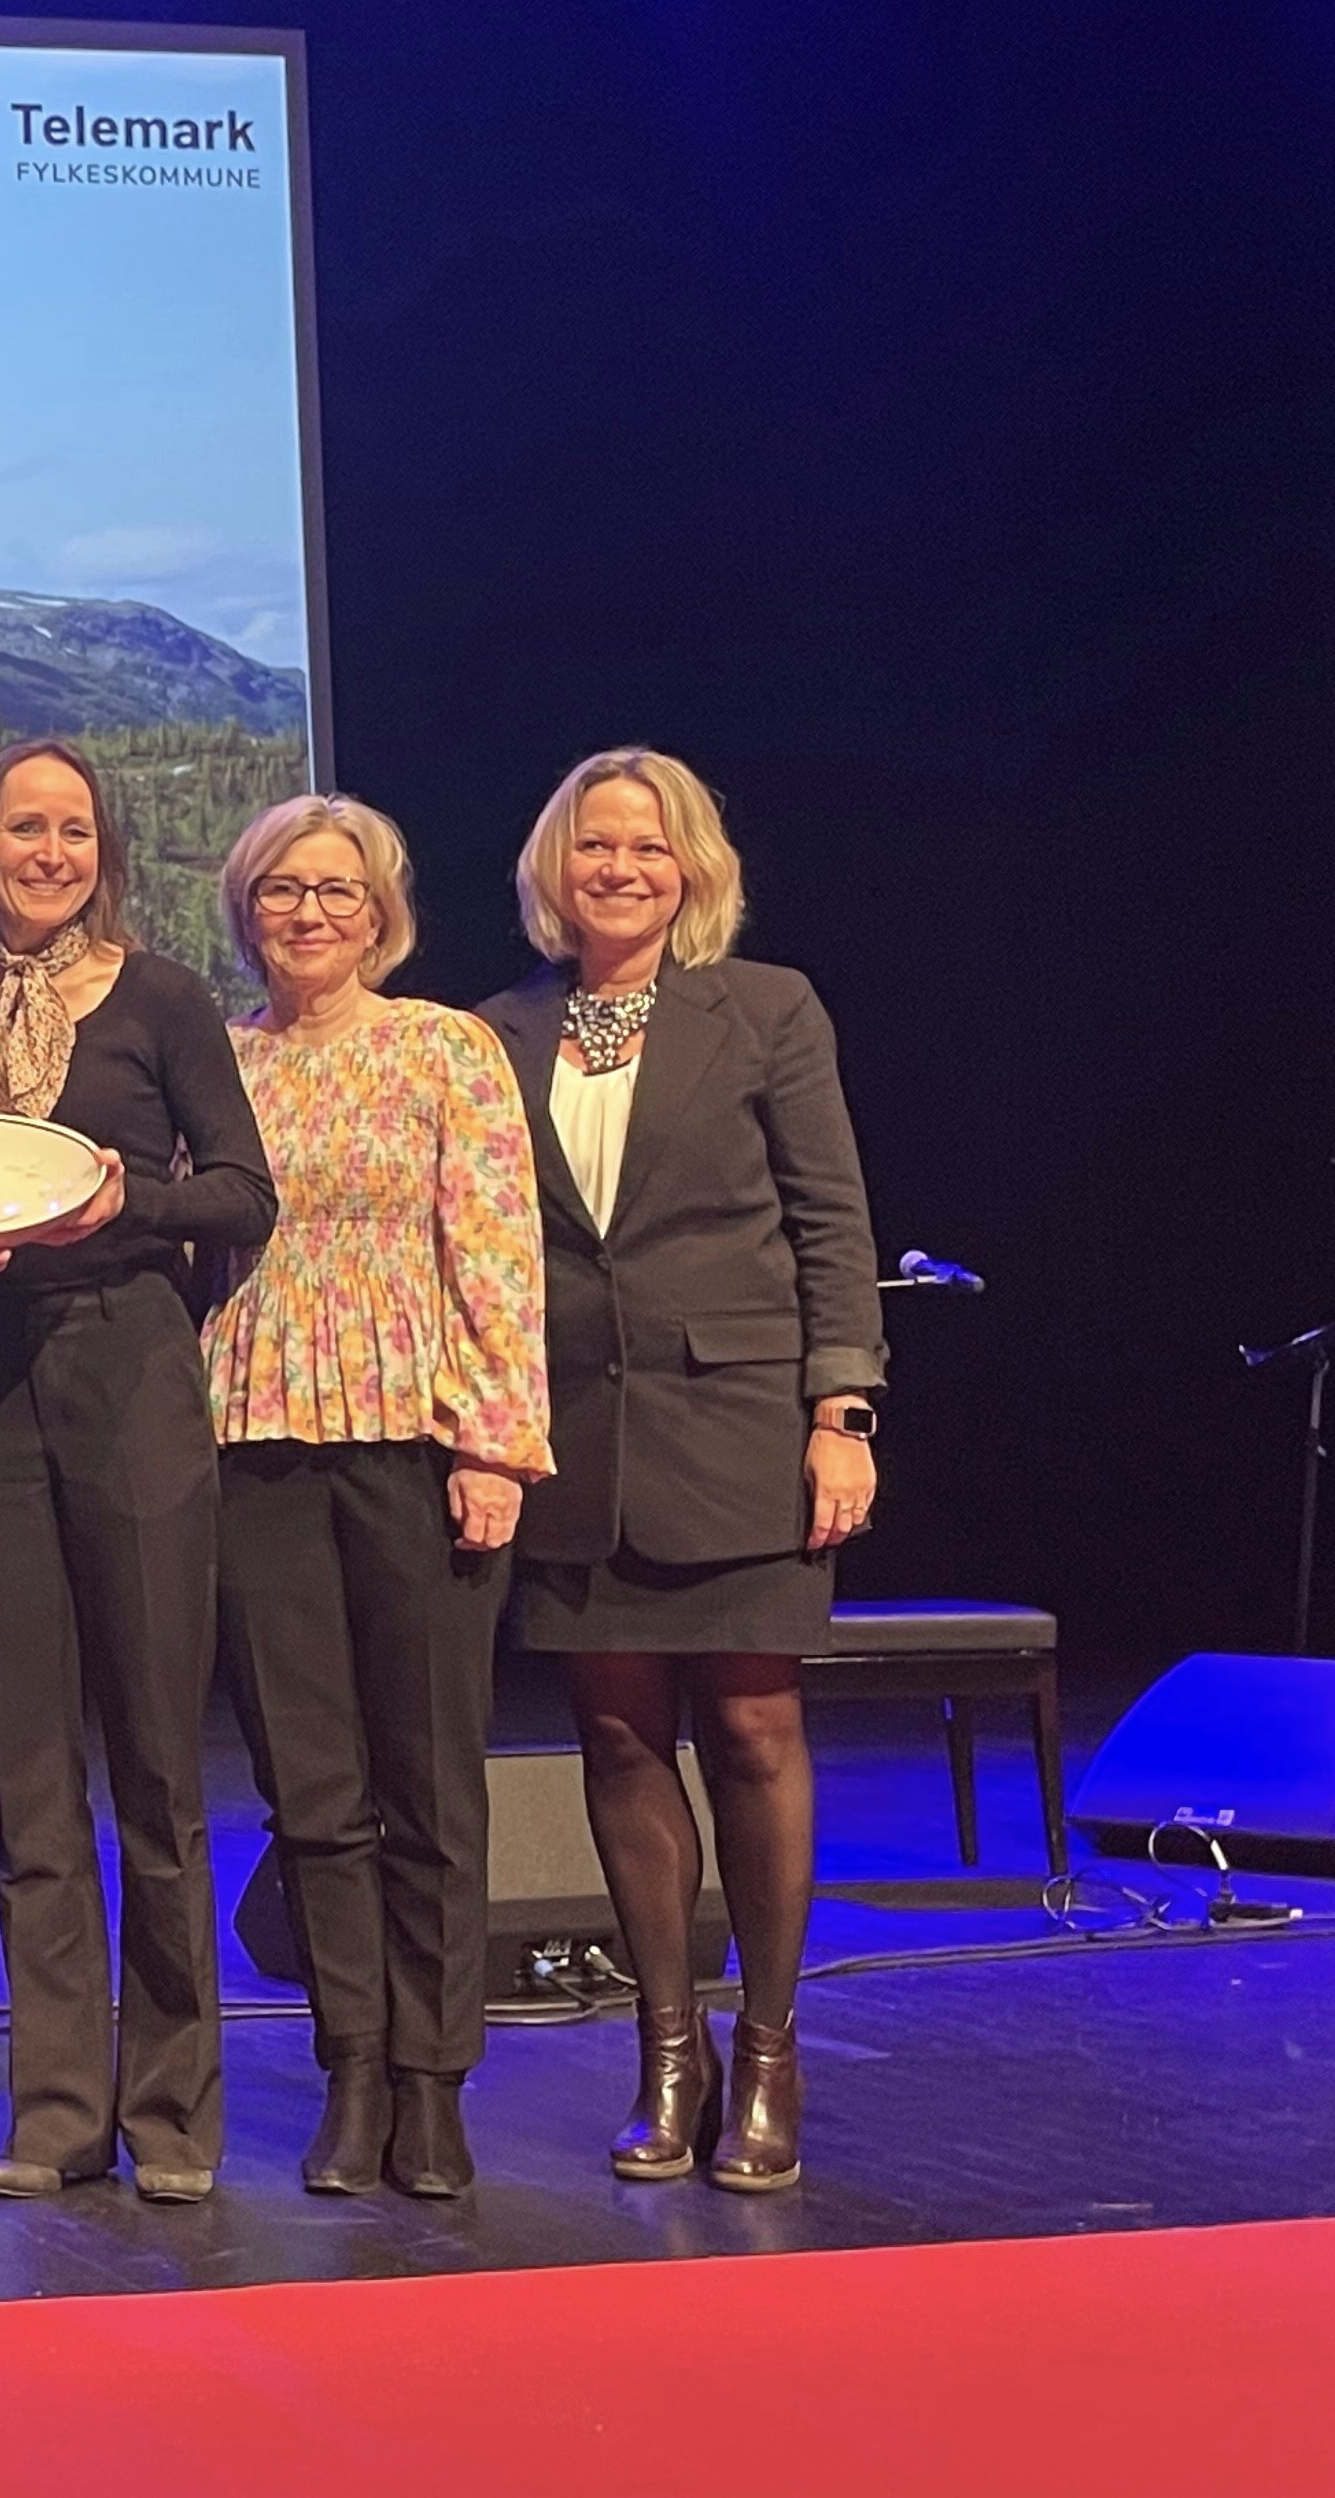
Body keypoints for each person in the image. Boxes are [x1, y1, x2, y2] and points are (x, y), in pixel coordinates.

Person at [0, 737, 274, 2203]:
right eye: (25, 828)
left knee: (158, 1768)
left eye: (78, 832)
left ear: (105, 855)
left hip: (131, 1377)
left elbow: (242, 1193)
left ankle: (172, 2113)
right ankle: (54, 2112)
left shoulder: (156, 1000)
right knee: (29, 1772)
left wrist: (118, 1203)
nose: (51, 853)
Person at [480, 747, 883, 2195]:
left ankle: (767, 2051)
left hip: (739, 1423)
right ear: (555, 866)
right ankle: (671, 2049)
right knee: (618, 1740)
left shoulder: (766, 1010)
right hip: (574, 1435)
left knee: (758, 1730)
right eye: (597, 847)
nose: (623, 869)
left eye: (652, 848)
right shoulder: (499, 1030)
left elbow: (832, 1216)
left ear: (693, 867)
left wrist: (842, 1411)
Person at [199, 793, 547, 2199]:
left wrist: (498, 1446)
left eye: (338, 890)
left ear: (381, 912)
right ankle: (351, 2067)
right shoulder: (214, 1064)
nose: (310, 913)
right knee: (312, 1787)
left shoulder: (445, 1048)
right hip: (252, 1438)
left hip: (419, 1439)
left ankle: (432, 2081)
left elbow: (501, 1251)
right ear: (246, 909)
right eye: (283, 889)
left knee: (429, 1781)